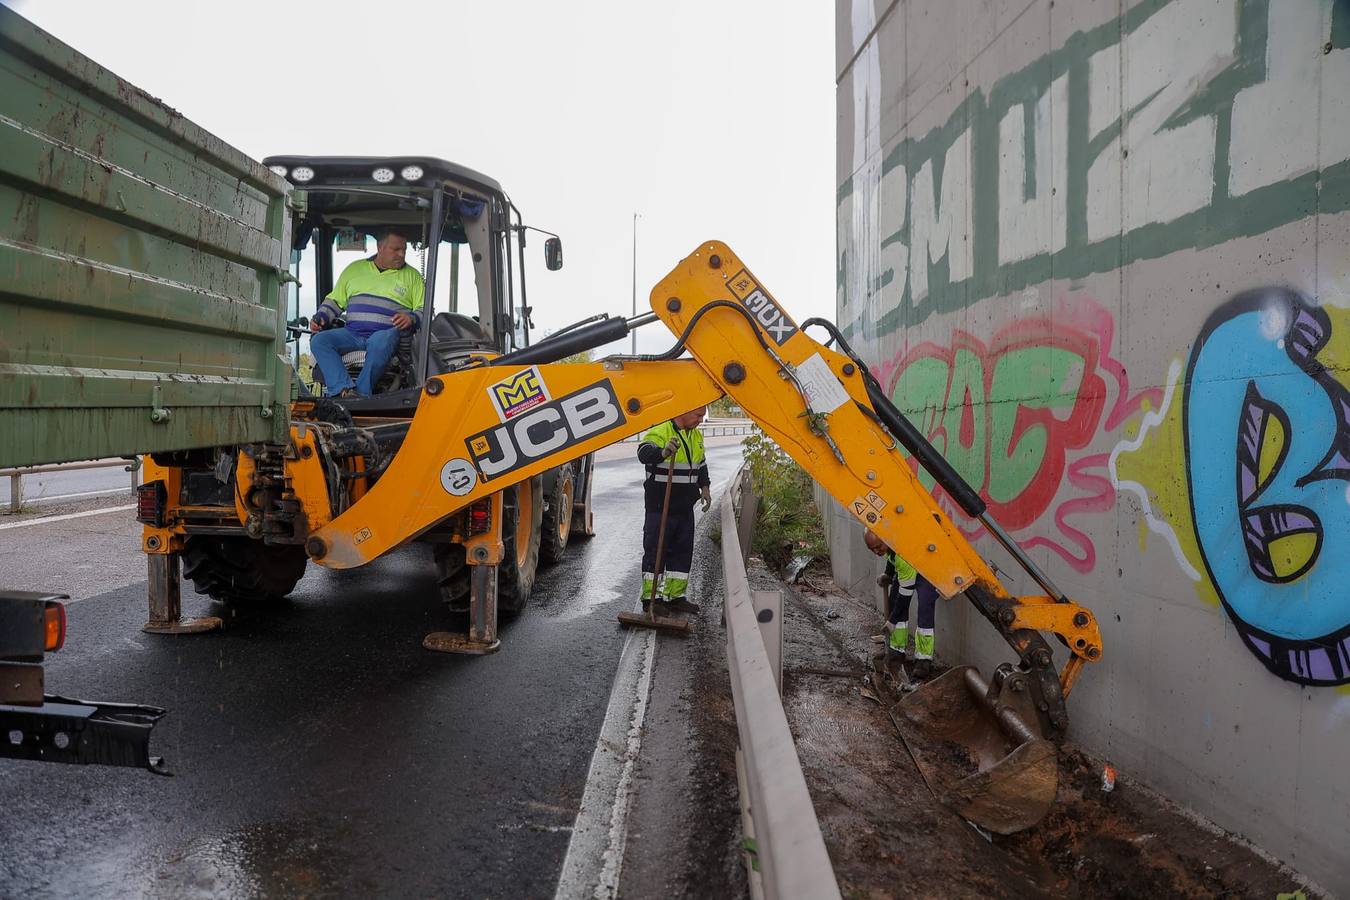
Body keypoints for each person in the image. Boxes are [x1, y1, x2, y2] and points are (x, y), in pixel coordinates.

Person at [309, 229, 425, 397]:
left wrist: (411, 318)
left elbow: (425, 311)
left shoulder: (413, 276)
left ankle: (362, 393)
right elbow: (334, 301)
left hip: (385, 334)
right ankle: (343, 389)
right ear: (380, 247)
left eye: (404, 250)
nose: (401, 254)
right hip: (353, 333)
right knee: (320, 340)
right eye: (396, 249)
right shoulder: (354, 270)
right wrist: (321, 317)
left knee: (382, 340)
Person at [636, 405, 712, 614]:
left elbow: (701, 465)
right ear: (684, 411)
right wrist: (662, 452)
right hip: (661, 505)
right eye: (697, 415)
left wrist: (705, 487)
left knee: (682, 551)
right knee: (656, 551)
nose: (700, 420)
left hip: (684, 506)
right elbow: (643, 453)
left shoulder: (695, 436)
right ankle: (651, 600)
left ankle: (675, 597)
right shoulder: (662, 430)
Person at [864, 529, 937, 679]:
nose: (877, 552)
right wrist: (888, 574)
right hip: (906, 569)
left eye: (878, 547)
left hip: (927, 569)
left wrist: (892, 620)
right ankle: (896, 651)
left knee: (924, 608)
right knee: (893, 600)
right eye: (872, 549)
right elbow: (891, 555)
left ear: (886, 538)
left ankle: (923, 660)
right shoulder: (891, 541)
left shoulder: (903, 553)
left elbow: (904, 597)